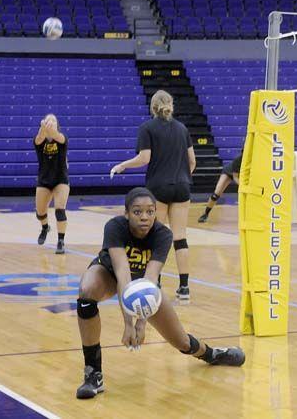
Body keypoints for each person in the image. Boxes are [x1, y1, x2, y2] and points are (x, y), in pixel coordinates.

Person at [75, 187, 245, 399]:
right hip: (109, 275)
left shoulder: (162, 234)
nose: (144, 217)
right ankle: (93, 373)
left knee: (181, 341)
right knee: (86, 290)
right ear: (126, 214)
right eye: (137, 212)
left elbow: (150, 278)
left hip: (146, 286)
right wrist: (128, 323)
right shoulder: (115, 227)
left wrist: (141, 323)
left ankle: (212, 354)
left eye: (150, 211)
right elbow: (122, 274)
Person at [110, 90, 196, 302]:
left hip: (158, 187)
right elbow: (192, 161)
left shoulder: (147, 128)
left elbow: (144, 158)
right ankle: (184, 287)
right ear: (171, 105)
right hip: (183, 186)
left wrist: (122, 165)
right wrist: (182, 176)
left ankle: (154, 281)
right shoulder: (182, 128)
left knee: (154, 236)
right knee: (180, 238)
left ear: (153, 107)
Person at [34, 113, 69, 254]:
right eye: (48, 120)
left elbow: (56, 135)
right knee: (40, 212)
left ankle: (61, 241)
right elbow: (39, 138)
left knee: (59, 209)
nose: (50, 122)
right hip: (44, 181)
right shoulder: (40, 141)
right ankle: (45, 227)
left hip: (61, 180)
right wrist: (43, 128)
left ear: (57, 125)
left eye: (53, 120)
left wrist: (49, 128)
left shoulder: (62, 138)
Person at [198, 153, 242, 223]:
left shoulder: (254, 160)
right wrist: (242, 186)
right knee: (216, 194)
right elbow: (235, 177)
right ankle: (205, 214)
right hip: (229, 172)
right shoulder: (239, 159)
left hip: (240, 174)